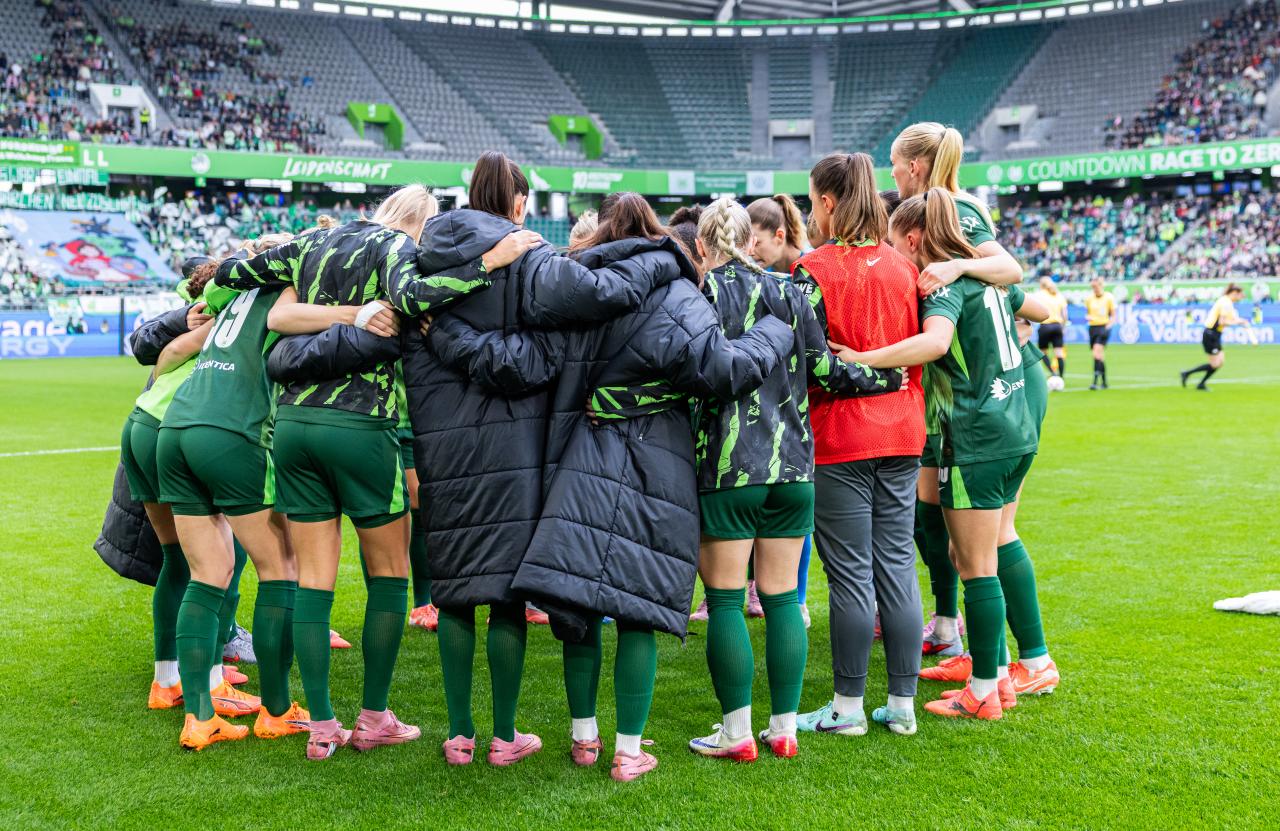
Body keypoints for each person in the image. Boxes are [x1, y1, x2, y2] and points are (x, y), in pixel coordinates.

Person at [434, 192, 794, 781]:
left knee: (577, 604)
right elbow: (723, 371)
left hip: (577, 454)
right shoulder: (678, 292)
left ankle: (584, 738)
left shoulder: (571, 291)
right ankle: (629, 751)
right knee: (636, 608)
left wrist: (446, 334)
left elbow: (521, 364)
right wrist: (774, 332)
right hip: (657, 462)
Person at [215, 185, 525, 760]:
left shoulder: (310, 242)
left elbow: (233, 272)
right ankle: (374, 716)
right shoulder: (395, 248)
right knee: (389, 574)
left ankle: (322, 725)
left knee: (313, 580)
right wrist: (488, 263)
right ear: (420, 225)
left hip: (294, 424)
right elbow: (414, 295)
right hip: (361, 424)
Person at [400, 154, 684, 768]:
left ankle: (459, 735)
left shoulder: (422, 258)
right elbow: (546, 347)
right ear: (519, 204)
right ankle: (504, 737)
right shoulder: (530, 256)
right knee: (503, 593)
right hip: (514, 447)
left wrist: (444, 334)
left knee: (454, 591)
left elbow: (406, 317)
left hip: (441, 442)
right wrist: (665, 255)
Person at [678, 197, 901, 761]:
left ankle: (736, 733)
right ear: (751, 242)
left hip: (726, 468)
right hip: (795, 467)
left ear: (701, 245)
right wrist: (887, 378)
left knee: (725, 602)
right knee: (782, 600)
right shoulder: (792, 292)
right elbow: (826, 369)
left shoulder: (697, 294)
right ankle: (783, 730)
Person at [158, 230, 382, 750]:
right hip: (234, 432)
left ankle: (199, 717)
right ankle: (277, 711)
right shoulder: (286, 292)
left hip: (177, 427)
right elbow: (290, 324)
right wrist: (357, 313)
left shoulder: (234, 291)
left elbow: (181, 342)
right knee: (280, 569)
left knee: (207, 574)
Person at [831, 188, 1044, 720]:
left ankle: (983, 691)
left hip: (975, 437)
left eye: (893, 244)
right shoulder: (987, 277)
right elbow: (1040, 308)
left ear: (913, 239)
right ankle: (999, 679)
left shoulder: (941, 282)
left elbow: (936, 343)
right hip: (1016, 426)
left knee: (976, 566)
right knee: (980, 555)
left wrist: (863, 357)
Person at [790, 153, 927, 738]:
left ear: (826, 202)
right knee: (896, 566)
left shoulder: (811, 268)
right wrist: (889, 378)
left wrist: (866, 372)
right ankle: (902, 705)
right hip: (902, 430)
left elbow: (814, 366)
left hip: (842, 435)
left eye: (812, 201)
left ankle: (848, 708)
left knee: (850, 575)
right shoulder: (904, 267)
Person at [888, 122, 1023, 657]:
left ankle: (1003, 663)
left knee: (985, 545)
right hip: (971, 399)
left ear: (914, 166)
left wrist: (955, 267)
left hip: (979, 402)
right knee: (938, 513)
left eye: (894, 165)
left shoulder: (955, 210)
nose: (892, 175)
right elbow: (1023, 299)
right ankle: (953, 629)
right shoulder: (940, 207)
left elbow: (1010, 269)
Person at [747, 193, 817, 626]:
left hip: (807, 410)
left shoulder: (806, 272)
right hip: (784, 409)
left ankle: (799, 598)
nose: (750, 251)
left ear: (779, 235)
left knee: (797, 515)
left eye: (755, 242)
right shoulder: (771, 275)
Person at [1181, 283, 1247, 390]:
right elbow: (1222, 322)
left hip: (1215, 334)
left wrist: (1239, 321)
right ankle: (1188, 374)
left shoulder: (1226, 301)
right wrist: (1238, 322)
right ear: (1234, 293)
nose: (1241, 298)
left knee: (1220, 362)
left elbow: (1228, 319)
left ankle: (1199, 383)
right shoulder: (1225, 303)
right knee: (1215, 363)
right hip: (1211, 334)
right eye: (1240, 295)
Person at [1033, 276, 1069, 378]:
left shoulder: (1039, 294)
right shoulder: (1059, 295)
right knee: (1059, 353)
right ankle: (1061, 377)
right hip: (1057, 326)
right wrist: (1063, 327)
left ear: (1041, 284)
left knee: (1042, 352)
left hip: (1045, 326)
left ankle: (1052, 372)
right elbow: (1065, 314)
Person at [1085, 277, 1116, 390]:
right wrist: (1088, 317)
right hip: (1093, 328)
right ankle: (1104, 382)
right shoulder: (1089, 299)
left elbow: (1113, 315)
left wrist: (1109, 325)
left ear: (1101, 285)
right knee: (1100, 356)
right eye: (1092, 287)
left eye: (1095, 286)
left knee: (1096, 354)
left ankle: (1094, 382)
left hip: (1103, 327)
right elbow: (1089, 313)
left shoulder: (1109, 297)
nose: (1094, 289)